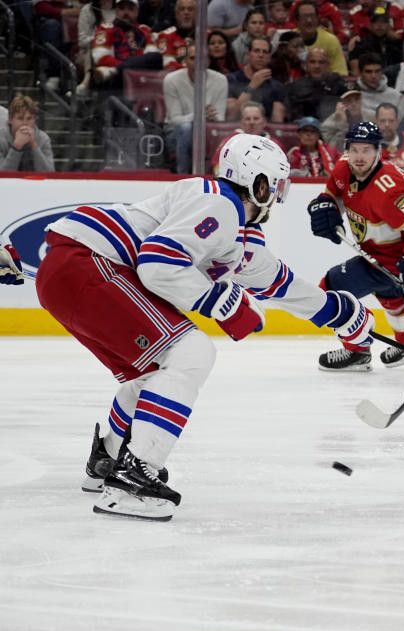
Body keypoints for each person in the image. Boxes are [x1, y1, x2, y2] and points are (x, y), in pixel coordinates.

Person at [22, 134, 374, 520]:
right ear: (257, 182)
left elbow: (278, 282)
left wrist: (341, 314)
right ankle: (132, 482)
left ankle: (107, 460)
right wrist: (220, 303)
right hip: (90, 264)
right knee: (192, 352)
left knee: (156, 372)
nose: (278, 196)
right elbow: (158, 264)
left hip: (71, 270)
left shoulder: (235, 231)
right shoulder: (218, 202)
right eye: (276, 185)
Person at [308, 121, 404, 371]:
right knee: (392, 299)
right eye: (354, 149)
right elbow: (332, 192)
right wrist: (325, 206)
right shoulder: (344, 167)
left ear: (378, 151)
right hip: (374, 253)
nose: (359, 156)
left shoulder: (388, 189)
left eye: (366, 150)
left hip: (391, 260)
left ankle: (357, 351)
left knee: (332, 287)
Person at [164, 43, 229, 175]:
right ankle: (182, 175)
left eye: (202, 59)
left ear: (208, 61)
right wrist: (201, 115)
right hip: (175, 134)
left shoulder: (221, 80)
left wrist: (206, 117)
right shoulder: (171, 80)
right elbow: (175, 120)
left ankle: (215, 175)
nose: (197, 63)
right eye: (193, 58)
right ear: (186, 60)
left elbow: (219, 119)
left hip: (207, 132)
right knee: (186, 128)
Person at [90, 0, 163, 89]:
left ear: (137, 12)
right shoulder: (106, 29)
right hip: (117, 81)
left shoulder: (145, 31)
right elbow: (100, 58)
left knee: (156, 57)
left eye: (130, 9)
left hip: (141, 78)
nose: (126, 13)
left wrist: (124, 68)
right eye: (122, 9)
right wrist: (128, 70)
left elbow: (151, 57)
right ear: (116, 11)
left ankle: (116, 70)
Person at [226, 36, 287, 123]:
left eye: (265, 52)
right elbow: (232, 116)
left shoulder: (277, 87)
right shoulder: (231, 80)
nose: (261, 55)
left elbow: (277, 122)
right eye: (256, 51)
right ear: (248, 55)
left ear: (269, 58)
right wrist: (252, 86)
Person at [286, 47, 346, 123]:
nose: (317, 66)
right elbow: (292, 117)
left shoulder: (338, 83)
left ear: (328, 65)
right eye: (312, 62)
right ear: (306, 64)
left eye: (321, 62)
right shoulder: (296, 87)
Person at [0, 94, 55, 172]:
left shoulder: (43, 138)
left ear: (35, 119)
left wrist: (34, 145)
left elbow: (50, 174)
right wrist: (16, 148)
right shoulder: (1, 138)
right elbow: (2, 176)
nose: (25, 123)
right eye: (20, 118)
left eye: (29, 118)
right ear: (10, 119)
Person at [321, 82, 377, 151]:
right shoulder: (328, 125)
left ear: (362, 99)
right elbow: (332, 152)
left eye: (357, 99)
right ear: (341, 103)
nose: (354, 104)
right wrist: (342, 125)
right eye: (349, 100)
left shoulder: (373, 117)